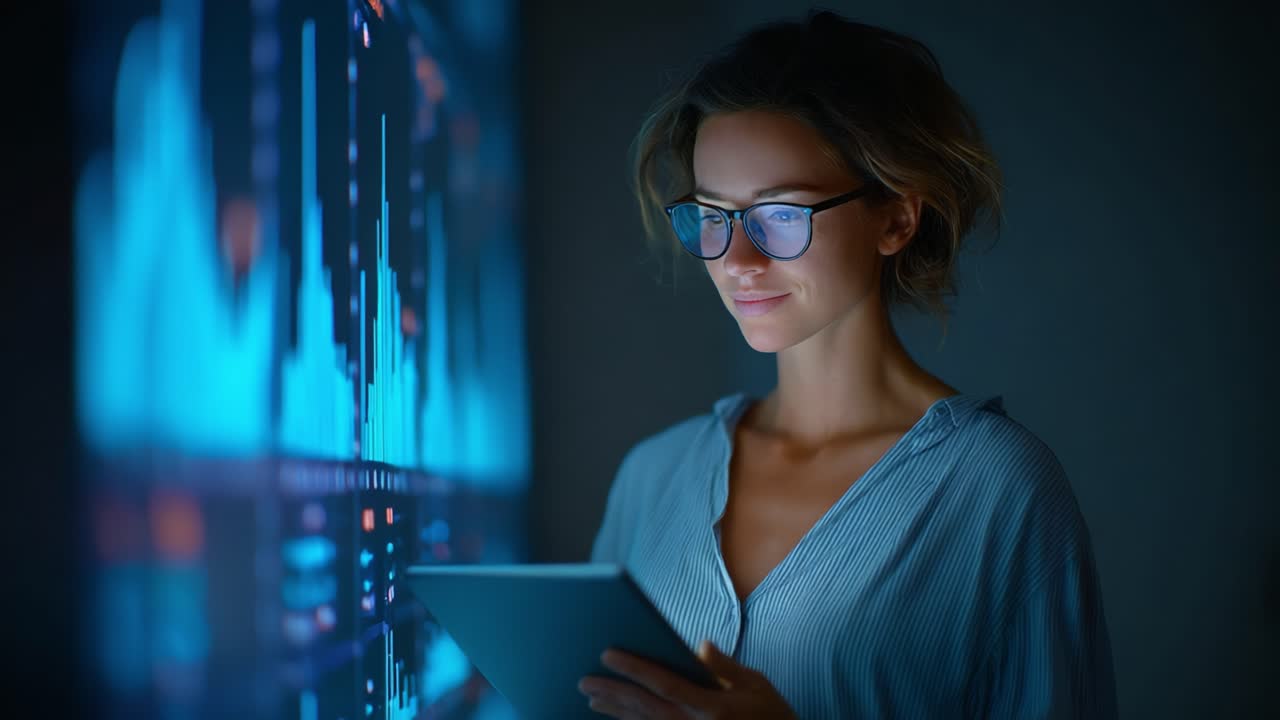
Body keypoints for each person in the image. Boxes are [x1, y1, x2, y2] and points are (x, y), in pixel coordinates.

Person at [576, 9, 1118, 720]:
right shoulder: (652, 475)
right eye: (713, 215)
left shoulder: (999, 488)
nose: (737, 261)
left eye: (781, 213)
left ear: (895, 218)